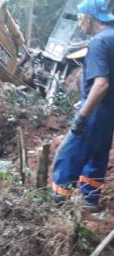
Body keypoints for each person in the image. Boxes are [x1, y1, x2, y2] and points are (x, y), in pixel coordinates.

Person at [52, 0, 114, 211]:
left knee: (68, 155)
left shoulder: (98, 42)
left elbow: (101, 84)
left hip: (95, 112)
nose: (79, 23)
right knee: (97, 155)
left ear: (90, 17)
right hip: (108, 114)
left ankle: (58, 206)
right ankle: (89, 202)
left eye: (80, 17)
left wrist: (81, 118)